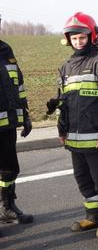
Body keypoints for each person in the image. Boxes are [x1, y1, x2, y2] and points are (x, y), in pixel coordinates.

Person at [48, 12, 98, 238]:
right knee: (84, 181)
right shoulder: (67, 67)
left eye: (82, 37)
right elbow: (63, 102)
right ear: (68, 40)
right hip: (74, 139)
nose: (78, 42)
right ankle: (94, 217)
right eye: (74, 38)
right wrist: (62, 130)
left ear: (92, 37)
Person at [0, 14, 33, 227]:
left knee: (9, 168)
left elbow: (17, 83)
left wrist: (25, 114)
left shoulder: (5, 50)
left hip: (7, 123)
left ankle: (7, 207)